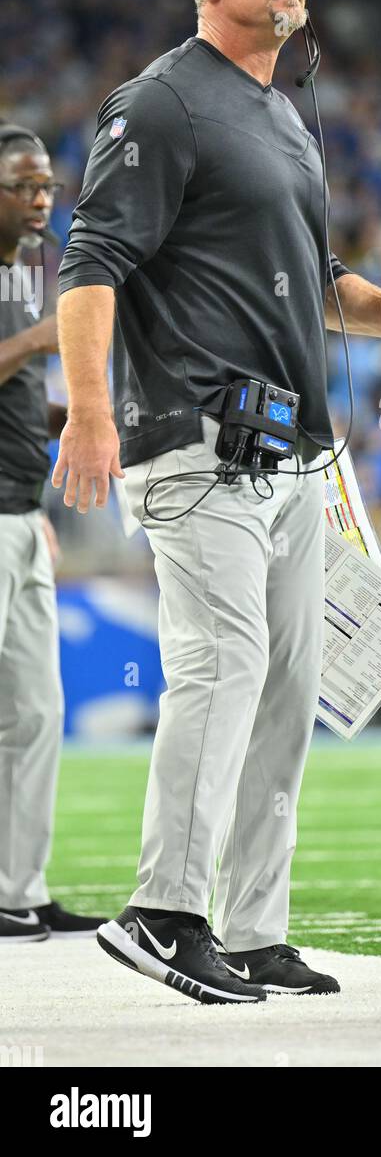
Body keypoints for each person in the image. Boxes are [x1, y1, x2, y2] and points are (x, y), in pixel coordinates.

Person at [53, 0, 381, 1005]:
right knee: (223, 662)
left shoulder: (287, 117)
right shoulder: (158, 104)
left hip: (290, 451)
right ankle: (162, 912)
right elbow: (91, 261)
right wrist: (90, 411)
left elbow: (322, 279)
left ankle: (249, 926)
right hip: (195, 440)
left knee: (289, 688)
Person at [0, 123, 106, 943]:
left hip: (22, 514)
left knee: (37, 710)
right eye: (24, 186)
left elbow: (17, 405)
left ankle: (18, 890)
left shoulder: (23, 279)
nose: (42, 201)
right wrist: (41, 337)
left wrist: (83, 421)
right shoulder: (28, 299)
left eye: (46, 187)